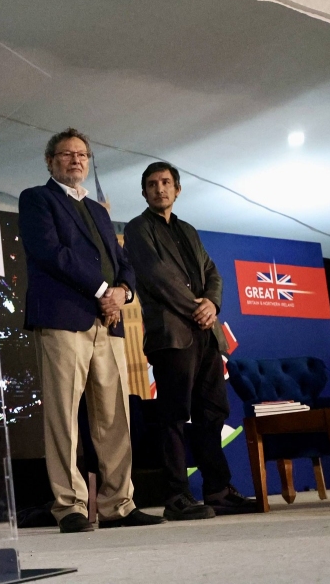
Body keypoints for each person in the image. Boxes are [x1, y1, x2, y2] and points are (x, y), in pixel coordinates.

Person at [18, 128, 164, 532]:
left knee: (116, 416)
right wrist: (103, 290)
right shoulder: (37, 199)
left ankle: (119, 504)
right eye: (67, 154)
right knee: (63, 416)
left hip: (109, 323)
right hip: (63, 318)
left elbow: (123, 261)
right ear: (50, 161)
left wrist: (122, 292)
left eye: (82, 154)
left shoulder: (99, 211)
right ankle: (70, 506)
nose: (76, 160)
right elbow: (52, 253)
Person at [124, 162, 256, 520]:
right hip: (172, 336)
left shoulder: (188, 230)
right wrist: (197, 308)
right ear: (144, 192)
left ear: (177, 190)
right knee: (173, 416)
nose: (159, 189)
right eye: (152, 184)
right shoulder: (137, 228)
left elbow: (212, 272)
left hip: (206, 335)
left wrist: (212, 304)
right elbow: (156, 276)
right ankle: (177, 496)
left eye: (166, 182)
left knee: (211, 412)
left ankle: (218, 490)